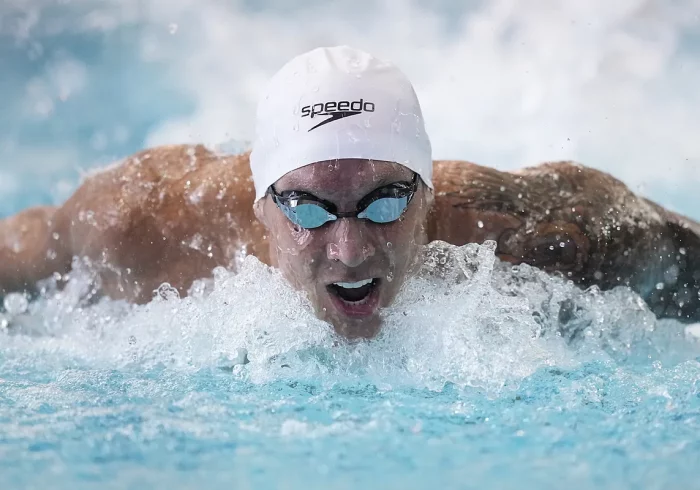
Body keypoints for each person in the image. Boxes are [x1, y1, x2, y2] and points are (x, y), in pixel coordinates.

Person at [2, 46, 700, 338]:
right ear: (258, 204)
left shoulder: (525, 232)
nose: (350, 249)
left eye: (386, 202)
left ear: (429, 196)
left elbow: (676, 244)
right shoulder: (137, 222)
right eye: (305, 207)